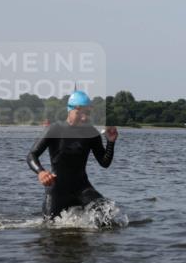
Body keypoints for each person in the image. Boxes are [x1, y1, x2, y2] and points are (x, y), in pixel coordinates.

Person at [27, 90, 118, 218]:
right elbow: (32, 155)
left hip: (81, 187)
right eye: (79, 112)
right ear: (69, 110)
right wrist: (41, 172)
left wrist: (110, 142)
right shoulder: (55, 129)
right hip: (57, 189)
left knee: (106, 210)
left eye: (87, 113)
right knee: (49, 228)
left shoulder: (91, 132)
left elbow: (104, 162)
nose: (84, 117)